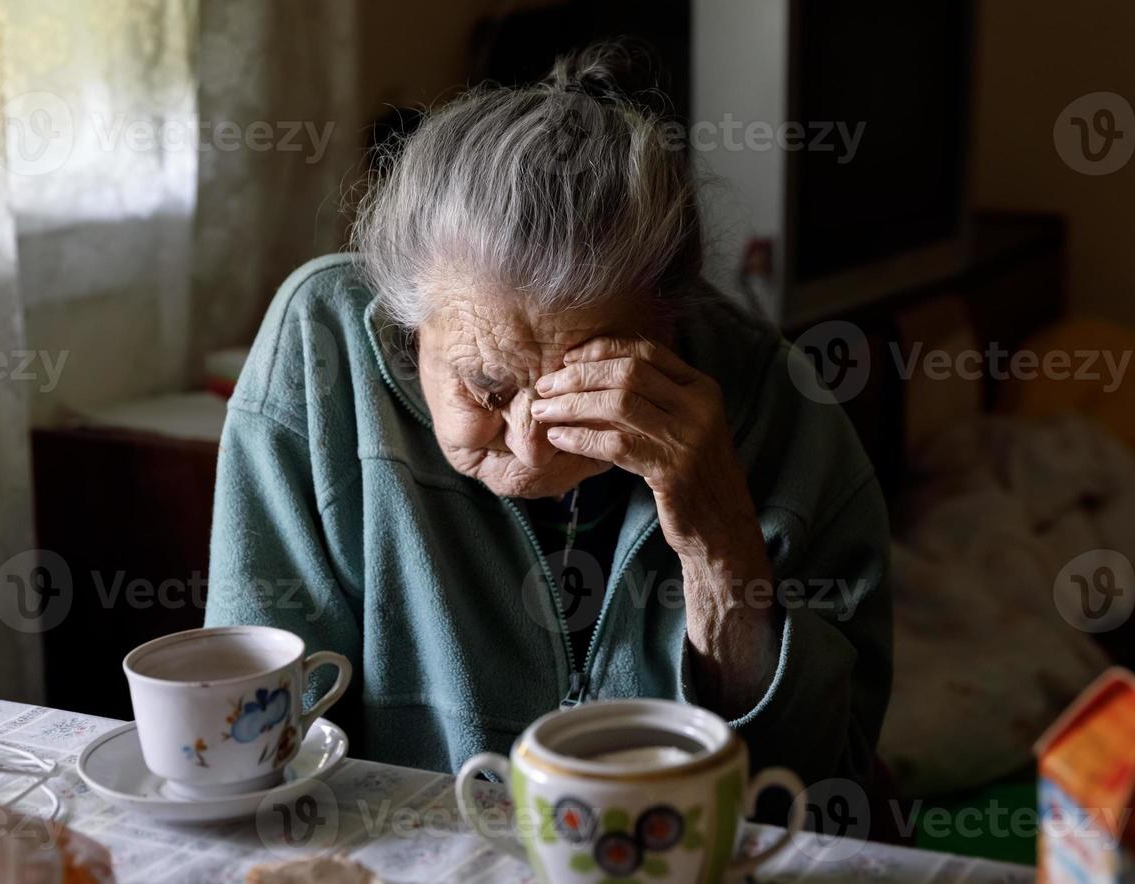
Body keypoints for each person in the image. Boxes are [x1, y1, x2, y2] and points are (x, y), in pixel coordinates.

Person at [205, 44, 891, 787]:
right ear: (407, 330)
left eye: (584, 394)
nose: (531, 451)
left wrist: (718, 545)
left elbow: (827, 788)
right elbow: (254, 730)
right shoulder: (323, 346)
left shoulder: (779, 403)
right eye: (490, 390)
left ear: (671, 327)